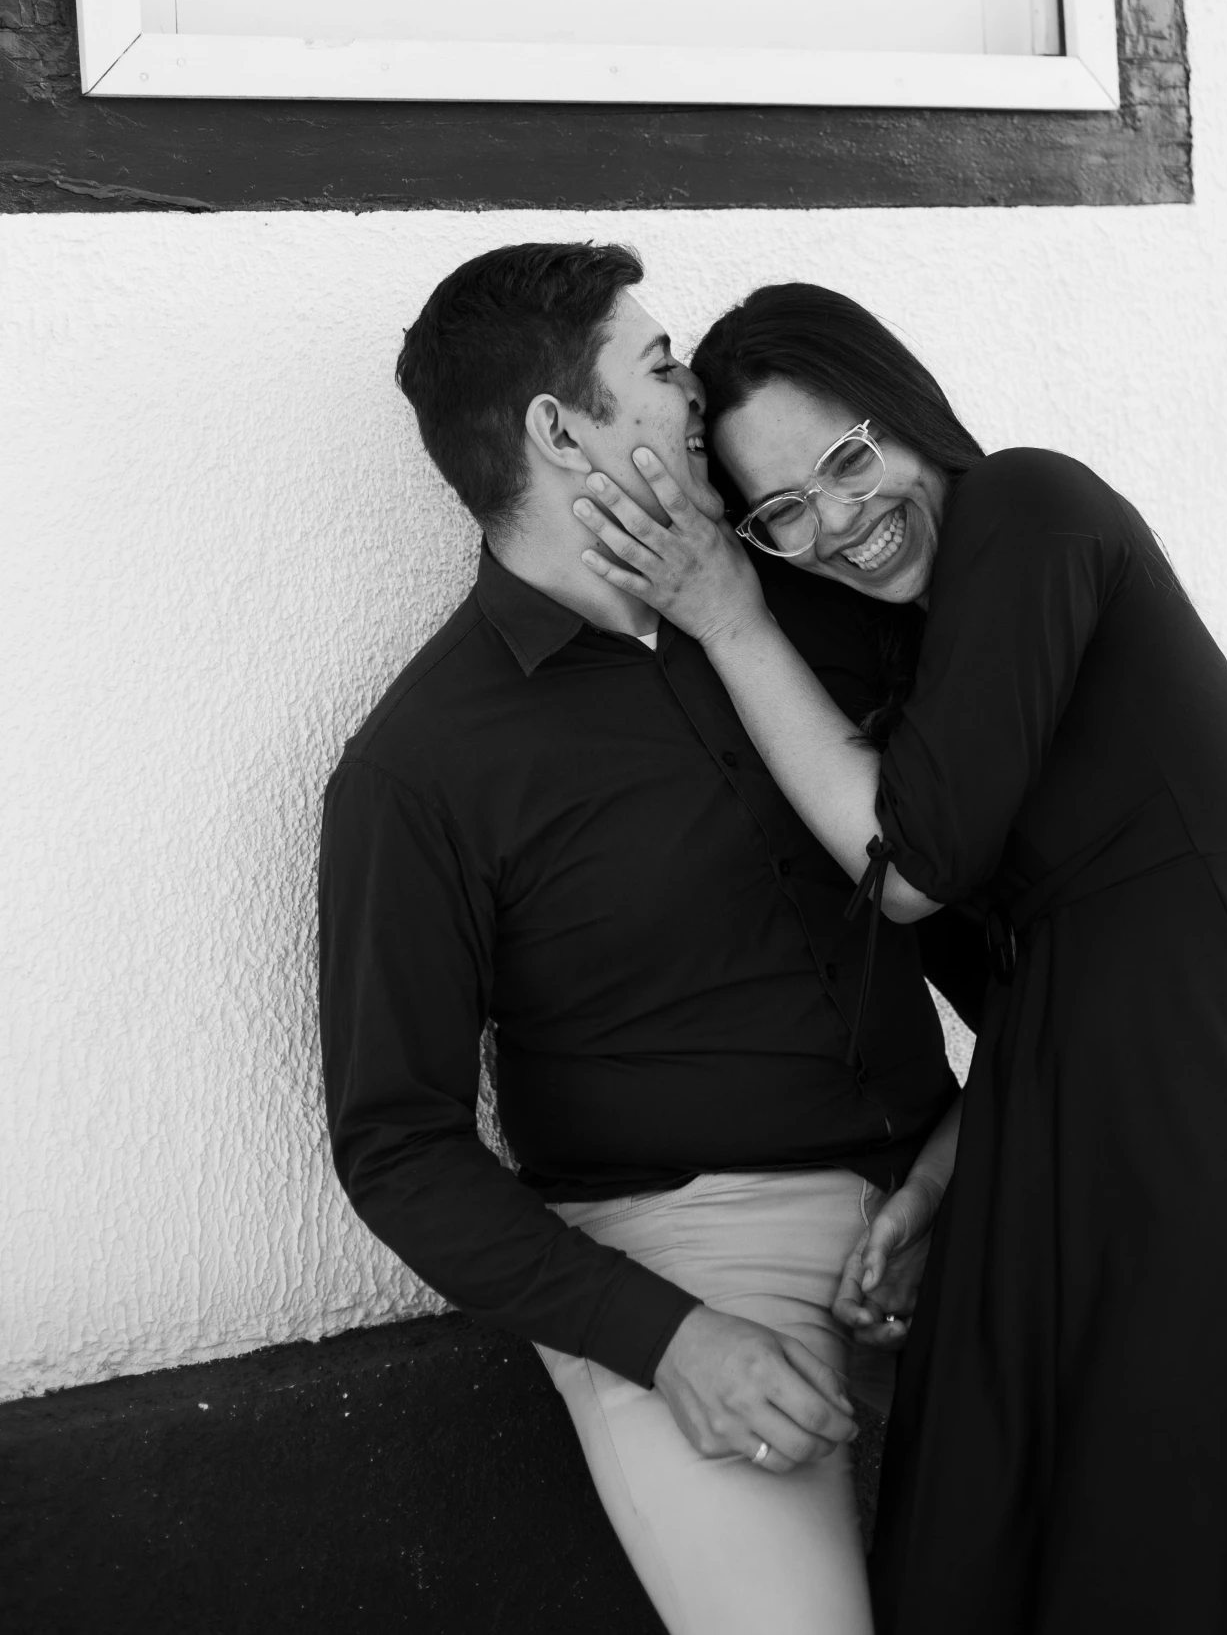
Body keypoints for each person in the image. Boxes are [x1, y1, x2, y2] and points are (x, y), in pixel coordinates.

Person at [570, 280, 1227, 1635]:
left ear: (912, 417)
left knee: (1195, 1560)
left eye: (849, 461)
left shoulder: (1036, 507)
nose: (839, 525)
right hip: (1061, 1172)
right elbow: (1049, 982)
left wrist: (729, 610)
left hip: (1222, 1160)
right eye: (782, 514)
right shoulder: (925, 681)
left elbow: (911, 867)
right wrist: (943, 1167)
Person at [318, 243, 987, 1635]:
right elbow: (398, 1142)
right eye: (661, 365)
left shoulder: (805, 608)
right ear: (560, 430)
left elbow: (1007, 884)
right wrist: (664, 1336)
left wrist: (965, 1143)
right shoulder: (420, 767)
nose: (700, 398)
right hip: (684, 1251)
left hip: (955, 1178)